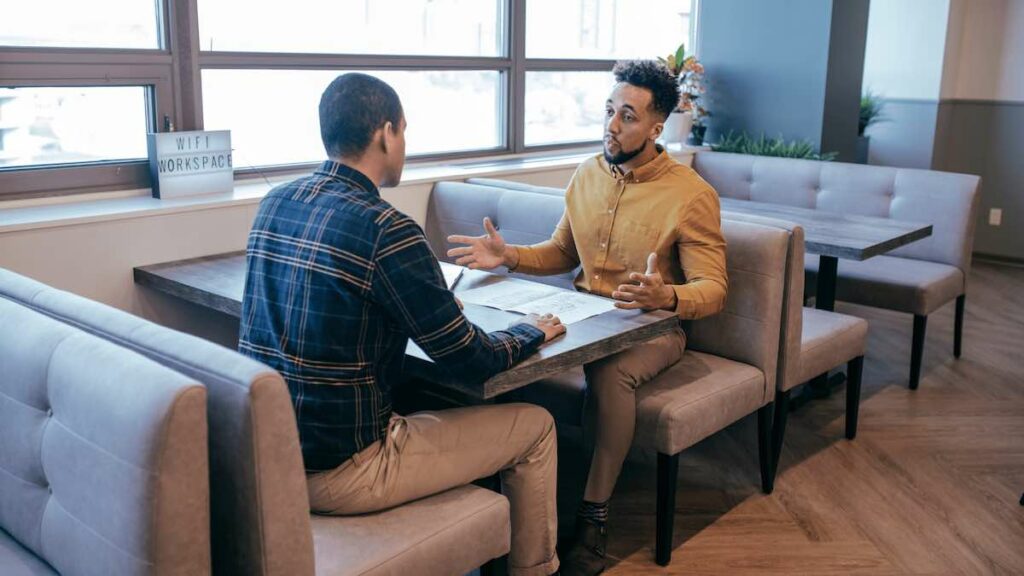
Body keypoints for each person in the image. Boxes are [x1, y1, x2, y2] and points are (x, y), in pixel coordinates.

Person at [239, 73, 566, 576]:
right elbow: (468, 359)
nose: (405, 145)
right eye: (405, 132)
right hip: (344, 471)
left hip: (267, 459)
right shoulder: (387, 230)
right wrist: (532, 331)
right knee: (537, 426)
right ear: (386, 133)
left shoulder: (275, 203)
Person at [447, 60, 728, 574]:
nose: (611, 126)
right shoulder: (586, 174)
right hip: (586, 316)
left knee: (611, 370)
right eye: (608, 111)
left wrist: (666, 296)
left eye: (627, 116)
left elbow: (714, 290)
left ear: (656, 127)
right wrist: (508, 256)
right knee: (506, 343)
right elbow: (560, 253)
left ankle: (594, 516)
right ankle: (501, 494)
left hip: (653, 329)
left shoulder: (691, 195)